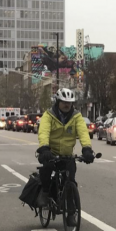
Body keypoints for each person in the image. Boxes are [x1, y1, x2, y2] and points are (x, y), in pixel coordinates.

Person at [36, 88, 95, 222]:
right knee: (46, 169)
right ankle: (45, 193)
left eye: (69, 102)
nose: (67, 105)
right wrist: (44, 148)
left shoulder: (76, 116)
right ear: (58, 102)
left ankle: (71, 214)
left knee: (71, 182)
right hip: (51, 153)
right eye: (64, 102)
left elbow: (83, 133)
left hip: (67, 155)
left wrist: (87, 149)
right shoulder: (49, 115)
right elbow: (44, 132)